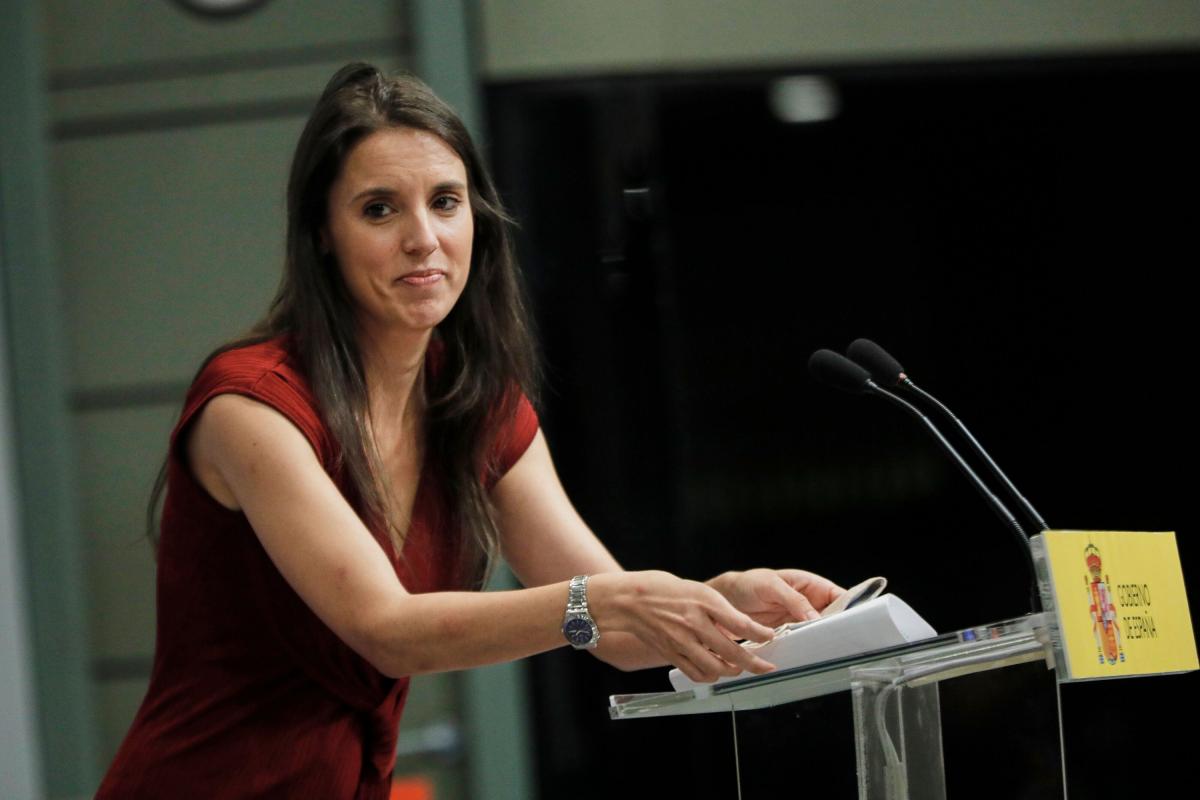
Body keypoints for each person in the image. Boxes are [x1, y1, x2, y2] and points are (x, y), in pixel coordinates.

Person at [96, 63, 844, 799]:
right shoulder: (251, 406)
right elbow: (386, 628)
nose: (424, 238)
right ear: (322, 232)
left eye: (445, 202)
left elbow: (617, 633)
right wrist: (609, 601)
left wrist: (722, 605)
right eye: (380, 209)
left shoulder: (476, 402)